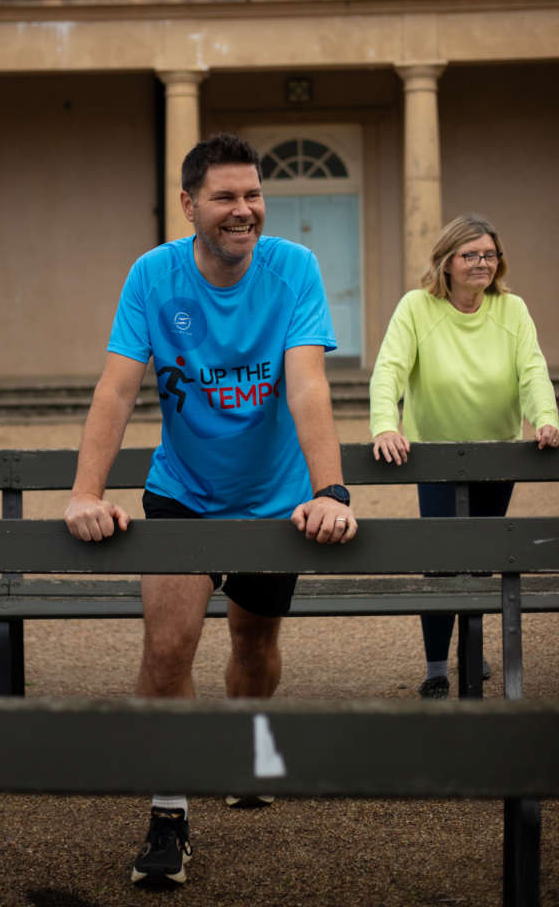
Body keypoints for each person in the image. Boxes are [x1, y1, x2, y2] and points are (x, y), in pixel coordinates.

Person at [64, 133, 357, 887]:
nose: (244, 210)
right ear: (190, 205)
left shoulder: (295, 269)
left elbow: (306, 388)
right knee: (167, 651)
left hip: (275, 503)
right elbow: (117, 391)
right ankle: (169, 816)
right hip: (182, 495)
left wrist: (330, 492)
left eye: (253, 194)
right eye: (225, 197)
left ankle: (247, 740)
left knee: (253, 650)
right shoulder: (153, 277)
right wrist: (86, 494)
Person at [369, 213, 559, 699]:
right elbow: (390, 368)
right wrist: (386, 424)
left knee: (480, 562)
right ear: (447, 261)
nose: (482, 263)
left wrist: (545, 417)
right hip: (434, 458)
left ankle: (471, 654)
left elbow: (532, 369)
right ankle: (436, 668)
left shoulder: (512, 309)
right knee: (439, 563)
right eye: (470, 254)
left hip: (496, 456)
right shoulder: (417, 307)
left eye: (489, 255)